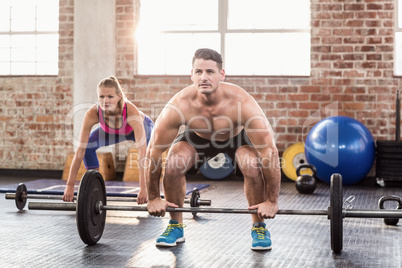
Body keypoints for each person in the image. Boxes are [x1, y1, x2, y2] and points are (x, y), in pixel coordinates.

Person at [146, 48, 281, 251]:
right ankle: (175, 226)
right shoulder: (179, 105)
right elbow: (153, 153)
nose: (204, 77)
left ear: (222, 75)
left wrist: (272, 201)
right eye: (198, 72)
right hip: (197, 137)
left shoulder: (241, 102)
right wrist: (153, 197)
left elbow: (269, 153)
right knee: (173, 163)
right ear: (191, 75)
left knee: (252, 165)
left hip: (236, 137)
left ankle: (259, 227)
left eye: (210, 72)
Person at [63, 76, 154, 204]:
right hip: (113, 132)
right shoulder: (92, 113)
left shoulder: (131, 111)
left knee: (151, 154)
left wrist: (144, 189)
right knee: (87, 147)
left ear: (119, 96)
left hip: (141, 128)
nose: (105, 101)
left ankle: (153, 190)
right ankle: (95, 186)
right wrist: (70, 185)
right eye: (101, 97)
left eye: (110, 97)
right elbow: (80, 152)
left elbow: (142, 154)